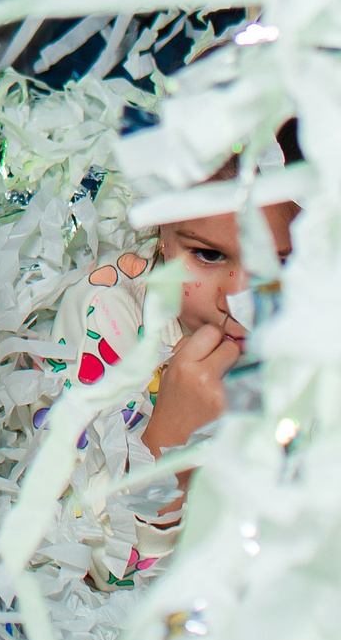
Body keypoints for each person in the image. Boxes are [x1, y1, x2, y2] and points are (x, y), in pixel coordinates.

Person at [42, 129, 302, 590]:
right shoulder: (107, 316)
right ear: (161, 234)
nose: (237, 297)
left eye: (275, 264)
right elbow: (91, 570)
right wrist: (170, 444)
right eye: (207, 256)